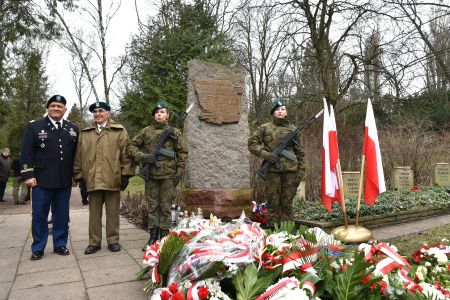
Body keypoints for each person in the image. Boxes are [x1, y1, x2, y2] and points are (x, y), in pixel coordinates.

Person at [20, 95, 79, 260]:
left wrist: (76, 175)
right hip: (41, 180)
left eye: (59, 106)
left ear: (64, 110)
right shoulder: (35, 127)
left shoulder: (72, 128)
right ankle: (38, 247)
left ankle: (60, 244)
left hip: (64, 180)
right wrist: (28, 175)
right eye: (53, 106)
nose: (56, 108)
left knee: (61, 214)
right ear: (48, 108)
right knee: (39, 215)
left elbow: (76, 155)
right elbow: (25, 152)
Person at [73, 101, 134, 255]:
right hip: (92, 179)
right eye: (95, 111)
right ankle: (94, 242)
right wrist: (79, 176)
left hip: (113, 178)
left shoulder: (119, 131)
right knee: (94, 213)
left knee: (113, 212)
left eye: (101, 111)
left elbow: (126, 154)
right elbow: (78, 156)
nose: (98, 114)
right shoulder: (85, 133)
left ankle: (113, 241)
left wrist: (125, 174)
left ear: (108, 113)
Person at [128, 101, 187, 249]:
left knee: (166, 206)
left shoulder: (175, 132)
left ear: (167, 115)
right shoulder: (146, 131)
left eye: (162, 112)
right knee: (153, 206)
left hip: (168, 176)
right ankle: (153, 237)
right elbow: (131, 146)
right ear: (154, 115)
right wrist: (143, 156)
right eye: (157, 112)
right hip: (151, 175)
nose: (159, 114)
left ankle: (164, 238)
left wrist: (179, 171)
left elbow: (182, 152)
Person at [248, 99, 305, 225]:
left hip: (291, 173)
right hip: (272, 172)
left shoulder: (293, 130)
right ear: (273, 113)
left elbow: (300, 153)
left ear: (286, 112)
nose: (280, 111)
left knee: (287, 204)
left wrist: (300, 173)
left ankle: (287, 233)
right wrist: (265, 154)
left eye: (283, 109)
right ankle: (272, 233)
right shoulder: (264, 128)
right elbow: (252, 144)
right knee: (272, 204)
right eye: (277, 110)